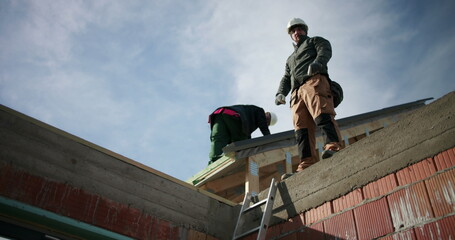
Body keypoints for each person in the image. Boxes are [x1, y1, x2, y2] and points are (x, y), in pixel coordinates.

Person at [275, 18, 343, 175]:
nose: (296, 32)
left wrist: (319, 62)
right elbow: (286, 77)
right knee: (301, 129)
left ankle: (333, 145)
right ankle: (306, 163)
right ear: (291, 35)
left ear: (305, 30)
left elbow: (325, 49)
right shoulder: (290, 59)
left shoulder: (314, 41)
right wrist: (280, 92)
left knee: (322, 113)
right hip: (296, 93)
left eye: (299, 29)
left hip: (313, 81)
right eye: (293, 31)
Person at [208, 105, 277, 164]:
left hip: (219, 114)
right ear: (266, 113)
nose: (266, 120)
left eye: (267, 121)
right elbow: (263, 128)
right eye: (267, 118)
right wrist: (270, 140)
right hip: (234, 117)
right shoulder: (260, 111)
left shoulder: (251, 113)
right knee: (245, 144)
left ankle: (213, 162)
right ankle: (240, 164)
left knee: (218, 140)